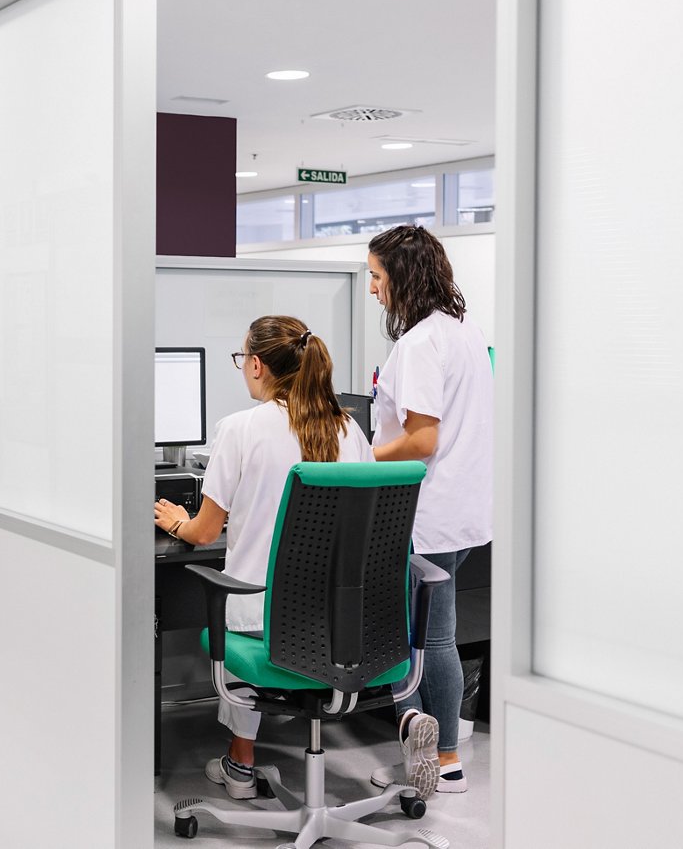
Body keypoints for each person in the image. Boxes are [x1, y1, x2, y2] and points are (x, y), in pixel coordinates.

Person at [154, 316, 438, 801]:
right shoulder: (349, 429)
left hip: (266, 620)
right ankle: (405, 714)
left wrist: (177, 521)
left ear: (258, 365)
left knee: (237, 603)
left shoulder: (239, 429)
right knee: (295, 622)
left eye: (243, 359)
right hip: (345, 623)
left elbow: (205, 533)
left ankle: (241, 764)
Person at [365, 225, 494, 796]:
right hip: (463, 511)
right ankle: (437, 758)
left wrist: (360, 455)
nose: (372, 288)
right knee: (432, 634)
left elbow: (421, 440)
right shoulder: (464, 331)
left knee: (425, 639)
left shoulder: (419, 343)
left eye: (376, 276)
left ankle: (440, 762)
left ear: (402, 277)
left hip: (425, 514)